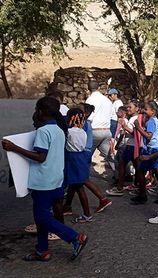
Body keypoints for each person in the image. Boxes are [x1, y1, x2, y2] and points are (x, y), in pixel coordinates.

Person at [1, 97, 88, 261]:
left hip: (43, 182)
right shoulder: (60, 130)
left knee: (42, 217)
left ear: (40, 112)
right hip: (56, 180)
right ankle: (42, 250)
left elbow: (40, 157)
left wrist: (14, 148)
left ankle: (75, 237)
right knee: (42, 218)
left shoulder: (43, 131)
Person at [130, 101, 158, 205]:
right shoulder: (155, 120)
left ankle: (142, 195)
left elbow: (148, 136)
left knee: (140, 170)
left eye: (146, 109)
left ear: (153, 111)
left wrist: (138, 127)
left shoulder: (151, 121)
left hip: (153, 149)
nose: (144, 111)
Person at [63, 108, 93, 223]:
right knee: (75, 186)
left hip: (72, 159)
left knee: (79, 188)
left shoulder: (68, 132)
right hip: (81, 158)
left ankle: (87, 214)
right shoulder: (83, 132)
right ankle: (67, 206)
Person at [107, 100, 141, 196]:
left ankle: (120, 187)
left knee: (122, 165)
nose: (128, 109)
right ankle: (137, 186)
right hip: (131, 145)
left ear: (137, 109)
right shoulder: (133, 118)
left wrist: (125, 127)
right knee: (137, 167)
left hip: (131, 145)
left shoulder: (135, 119)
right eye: (128, 107)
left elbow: (136, 133)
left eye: (130, 107)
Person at [85, 80, 114, 160]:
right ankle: (120, 170)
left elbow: (89, 118)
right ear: (98, 88)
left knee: (86, 156)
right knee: (110, 156)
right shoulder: (107, 100)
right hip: (107, 131)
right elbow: (111, 116)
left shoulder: (90, 100)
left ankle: (84, 172)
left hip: (94, 131)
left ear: (88, 89)